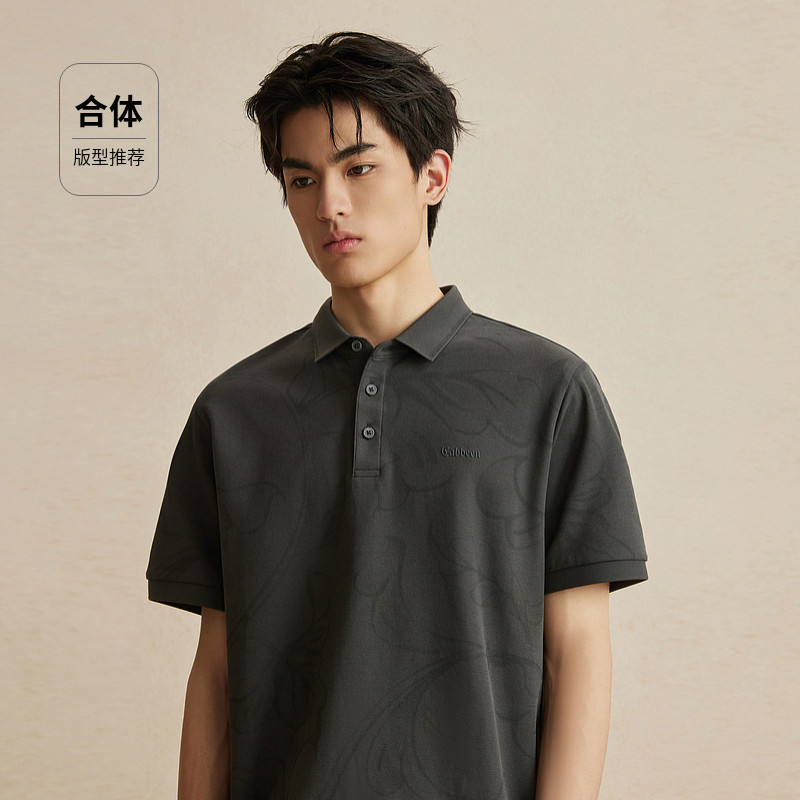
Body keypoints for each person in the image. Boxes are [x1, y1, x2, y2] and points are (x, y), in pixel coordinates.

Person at [146, 30, 648, 800]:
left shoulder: (549, 392)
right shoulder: (233, 412)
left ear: (432, 176)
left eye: (359, 167)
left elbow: (574, 653)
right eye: (302, 179)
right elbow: (217, 672)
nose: (329, 205)